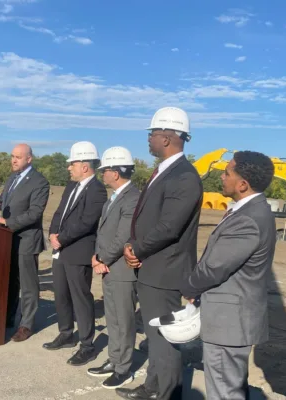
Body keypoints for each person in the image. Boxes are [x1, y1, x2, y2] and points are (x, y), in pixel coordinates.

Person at [120, 107, 203, 400]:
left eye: (152, 134)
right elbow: (146, 218)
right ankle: (152, 387)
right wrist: (132, 244)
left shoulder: (184, 176)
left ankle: (169, 393)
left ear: (167, 137)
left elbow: (169, 227)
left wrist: (137, 248)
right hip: (150, 265)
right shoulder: (164, 171)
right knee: (155, 339)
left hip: (164, 270)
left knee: (165, 341)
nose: (149, 139)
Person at [181, 151, 276, 400]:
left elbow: (214, 267)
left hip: (230, 323)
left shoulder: (248, 219)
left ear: (243, 184)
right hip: (231, 320)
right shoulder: (247, 211)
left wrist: (190, 287)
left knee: (224, 391)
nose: (222, 177)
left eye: (227, 173)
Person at [43, 141, 107, 366]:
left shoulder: (97, 190)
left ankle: (87, 345)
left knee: (80, 298)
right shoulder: (71, 187)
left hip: (78, 251)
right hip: (61, 249)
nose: (69, 167)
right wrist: (52, 233)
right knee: (60, 294)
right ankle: (66, 333)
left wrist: (61, 238)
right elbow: (60, 212)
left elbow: (86, 222)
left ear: (85, 166)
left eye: (72, 164)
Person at [87, 146, 140, 390]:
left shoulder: (132, 197)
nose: (102, 174)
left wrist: (102, 258)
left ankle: (123, 368)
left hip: (120, 270)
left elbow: (122, 237)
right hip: (109, 267)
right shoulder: (117, 196)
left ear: (116, 172)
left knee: (123, 320)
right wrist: (99, 258)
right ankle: (115, 358)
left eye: (105, 170)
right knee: (113, 319)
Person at [0, 144, 50, 342]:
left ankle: (26, 325)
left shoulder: (39, 182)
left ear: (29, 159)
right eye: (12, 156)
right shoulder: (12, 178)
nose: (13, 160)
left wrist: (9, 223)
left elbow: (35, 213)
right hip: (7, 239)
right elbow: (4, 205)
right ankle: (8, 318)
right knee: (10, 282)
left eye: (18, 157)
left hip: (26, 240)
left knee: (28, 285)